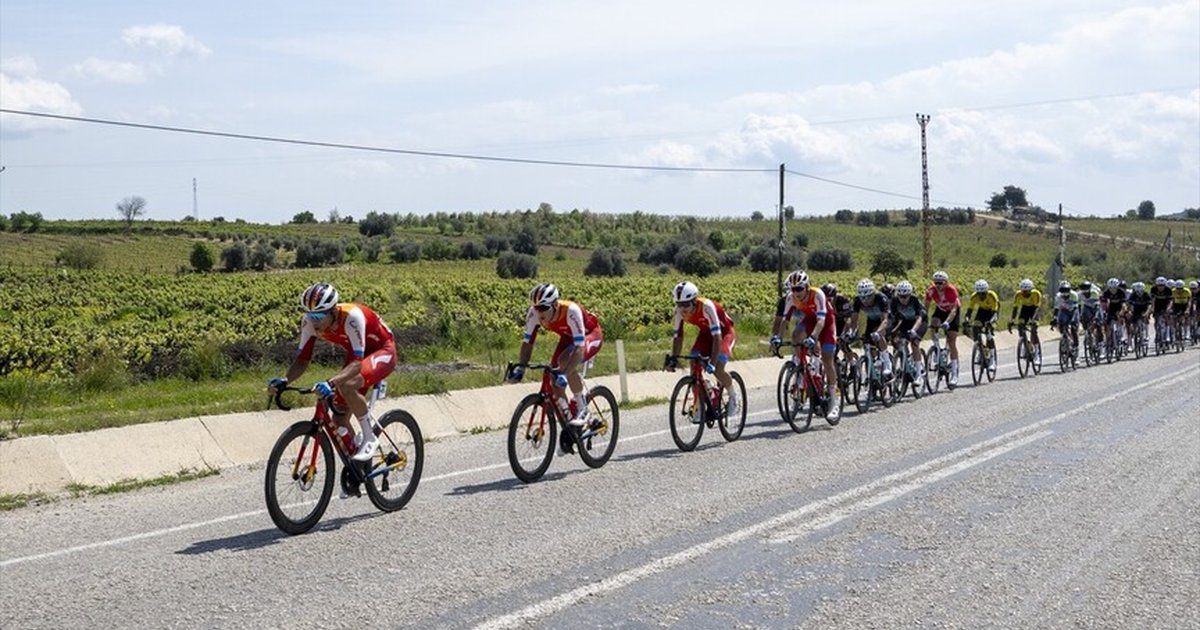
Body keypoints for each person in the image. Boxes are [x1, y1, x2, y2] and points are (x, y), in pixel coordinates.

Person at [268, 282, 397, 463]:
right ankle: (357, 468)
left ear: (333, 311)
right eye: (310, 315)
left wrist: (331, 382)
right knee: (338, 419)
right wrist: (285, 380)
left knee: (347, 385)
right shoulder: (310, 323)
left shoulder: (352, 317)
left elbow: (357, 365)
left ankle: (369, 437)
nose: (314, 321)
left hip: (381, 350)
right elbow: (302, 359)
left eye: (319, 315)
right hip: (356, 354)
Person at [507, 283, 604, 430]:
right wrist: (520, 369)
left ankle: (582, 407)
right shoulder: (533, 314)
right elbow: (527, 343)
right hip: (567, 338)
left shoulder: (571, 311)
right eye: (536, 308)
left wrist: (565, 373)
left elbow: (579, 347)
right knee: (554, 379)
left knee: (565, 363)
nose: (539, 313)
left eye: (543, 308)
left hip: (589, 335)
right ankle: (570, 423)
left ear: (555, 305)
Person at [770, 270, 838, 421]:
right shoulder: (790, 298)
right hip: (809, 320)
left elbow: (821, 321)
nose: (796, 292)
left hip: (826, 321)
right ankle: (801, 364)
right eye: (793, 289)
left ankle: (834, 400)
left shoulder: (817, 294)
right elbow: (785, 321)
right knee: (796, 335)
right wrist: (777, 338)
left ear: (806, 287)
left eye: (799, 288)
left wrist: (813, 337)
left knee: (827, 360)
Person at [667, 281, 740, 417]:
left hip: (724, 334)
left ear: (694, 301)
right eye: (679, 304)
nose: (683, 309)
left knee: (718, 369)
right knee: (694, 364)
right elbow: (678, 337)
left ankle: (733, 397)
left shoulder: (706, 307)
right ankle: (699, 403)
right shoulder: (678, 312)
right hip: (706, 335)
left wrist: (712, 363)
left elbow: (717, 338)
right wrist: (674, 359)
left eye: (686, 304)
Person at [846, 278, 892, 377]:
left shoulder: (881, 298)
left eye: (868, 297)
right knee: (868, 342)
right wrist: (852, 332)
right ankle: (874, 370)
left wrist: (878, 332)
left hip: (885, 319)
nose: (865, 300)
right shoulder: (857, 301)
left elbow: (884, 320)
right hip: (872, 320)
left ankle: (887, 362)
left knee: (878, 335)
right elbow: (854, 320)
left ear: (873, 294)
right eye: (862, 297)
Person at [924, 270, 961, 386]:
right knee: (933, 323)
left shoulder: (951, 290)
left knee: (951, 341)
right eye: (936, 283)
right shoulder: (931, 291)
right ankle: (936, 348)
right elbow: (925, 306)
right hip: (941, 310)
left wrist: (947, 322)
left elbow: (954, 310)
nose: (938, 285)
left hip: (952, 312)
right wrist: (923, 319)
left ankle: (954, 372)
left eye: (941, 283)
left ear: (946, 283)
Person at [887, 280, 928, 378]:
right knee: (900, 342)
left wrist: (914, 330)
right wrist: (890, 331)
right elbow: (892, 318)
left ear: (910, 295)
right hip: (906, 321)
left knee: (914, 343)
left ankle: (918, 373)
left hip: (919, 322)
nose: (903, 299)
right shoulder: (894, 301)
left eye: (905, 297)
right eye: (900, 296)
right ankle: (905, 361)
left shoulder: (915, 301)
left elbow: (919, 319)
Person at [964, 279, 1000, 368]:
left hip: (992, 312)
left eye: (983, 293)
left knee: (988, 333)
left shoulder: (991, 295)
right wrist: (966, 320)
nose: (981, 296)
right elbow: (969, 311)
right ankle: (981, 349)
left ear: (986, 291)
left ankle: (992, 360)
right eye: (979, 293)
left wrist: (991, 322)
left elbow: (995, 312)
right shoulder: (974, 296)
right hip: (982, 311)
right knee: (975, 328)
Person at [1008, 278, 1043, 349]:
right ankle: (1025, 343)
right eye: (1023, 291)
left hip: (1034, 309)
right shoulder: (1018, 294)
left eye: (1026, 292)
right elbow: (1015, 308)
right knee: (1020, 325)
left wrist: (1033, 320)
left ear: (1030, 290)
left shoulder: (1036, 293)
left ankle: (1036, 350)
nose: (1024, 293)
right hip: (1025, 309)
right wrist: (1012, 320)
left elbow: (1037, 308)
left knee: (1033, 330)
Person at [1050, 280, 1080, 351]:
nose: (1065, 293)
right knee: (1061, 324)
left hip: (1073, 311)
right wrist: (1054, 318)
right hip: (1064, 311)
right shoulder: (1058, 297)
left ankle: (1075, 345)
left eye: (1066, 290)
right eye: (1062, 290)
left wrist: (1073, 321)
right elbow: (1056, 309)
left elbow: (1075, 309)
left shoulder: (1074, 295)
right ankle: (1065, 338)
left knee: (1073, 328)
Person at [1099, 277, 1128, 349]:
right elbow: (1103, 304)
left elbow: (1124, 304)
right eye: (1111, 288)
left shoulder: (1121, 292)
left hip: (1120, 307)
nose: (1112, 290)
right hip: (1111, 308)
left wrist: (1122, 312)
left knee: (1120, 319)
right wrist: (1104, 312)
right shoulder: (1106, 293)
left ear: (1117, 287)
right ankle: (1108, 340)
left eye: (1114, 288)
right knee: (1108, 323)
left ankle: (1122, 335)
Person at [1149, 276, 1174, 345]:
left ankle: (1167, 335)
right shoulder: (1153, 289)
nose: (1160, 287)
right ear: (1156, 285)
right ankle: (1158, 334)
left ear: (1165, 285)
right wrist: (1152, 308)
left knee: (1166, 319)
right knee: (1156, 322)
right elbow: (1153, 300)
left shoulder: (1168, 290)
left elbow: (1171, 301)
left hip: (1165, 305)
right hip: (1157, 305)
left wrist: (1168, 308)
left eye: (1162, 285)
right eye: (1159, 285)